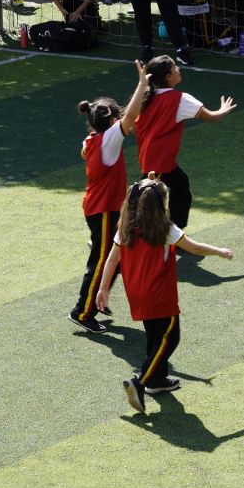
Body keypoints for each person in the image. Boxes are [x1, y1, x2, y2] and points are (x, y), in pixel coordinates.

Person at [96, 174, 233, 414]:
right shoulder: (164, 228)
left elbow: (112, 258)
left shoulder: (125, 227)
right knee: (170, 337)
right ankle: (140, 382)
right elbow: (194, 248)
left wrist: (103, 288)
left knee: (154, 336)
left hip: (136, 293)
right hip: (160, 295)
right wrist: (219, 251)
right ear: (160, 204)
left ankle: (157, 381)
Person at [70, 61, 147, 334]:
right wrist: (142, 85)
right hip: (103, 210)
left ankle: (98, 299)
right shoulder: (109, 139)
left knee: (117, 254)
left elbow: (124, 118)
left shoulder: (93, 139)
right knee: (101, 261)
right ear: (113, 122)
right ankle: (83, 311)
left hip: (103, 207)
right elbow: (130, 116)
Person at [135, 55, 236, 231]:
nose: (178, 69)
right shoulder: (180, 99)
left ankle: (173, 231)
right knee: (148, 203)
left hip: (152, 159)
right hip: (159, 162)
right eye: (175, 67)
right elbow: (212, 117)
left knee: (178, 184)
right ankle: (170, 233)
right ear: (168, 76)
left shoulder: (146, 98)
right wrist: (223, 110)